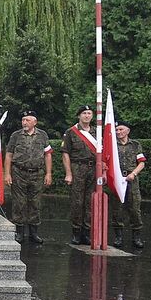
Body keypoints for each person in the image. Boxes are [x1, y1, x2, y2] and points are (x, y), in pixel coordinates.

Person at [3, 109, 53, 244]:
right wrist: (7, 173)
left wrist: (48, 173)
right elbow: (9, 154)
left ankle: (33, 233)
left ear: (34, 122)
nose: (24, 122)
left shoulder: (42, 135)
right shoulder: (15, 135)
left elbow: (48, 154)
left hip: (37, 173)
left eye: (27, 120)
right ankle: (19, 232)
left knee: (35, 203)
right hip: (19, 172)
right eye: (23, 120)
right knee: (19, 203)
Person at [62, 105, 96, 245]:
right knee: (77, 202)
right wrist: (69, 173)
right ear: (79, 116)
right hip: (78, 167)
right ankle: (76, 232)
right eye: (84, 113)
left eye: (89, 113)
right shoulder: (71, 132)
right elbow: (65, 153)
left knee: (90, 202)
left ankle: (86, 233)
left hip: (93, 169)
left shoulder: (97, 132)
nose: (87, 116)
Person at [112, 120, 146, 248]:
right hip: (118, 179)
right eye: (116, 130)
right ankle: (118, 237)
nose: (118, 132)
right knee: (117, 209)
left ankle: (136, 237)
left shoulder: (135, 145)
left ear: (128, 130)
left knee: (135, 209)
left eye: (121, 129)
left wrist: (134, 174)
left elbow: (141, 162)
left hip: (132, 180)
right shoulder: (113, 145)